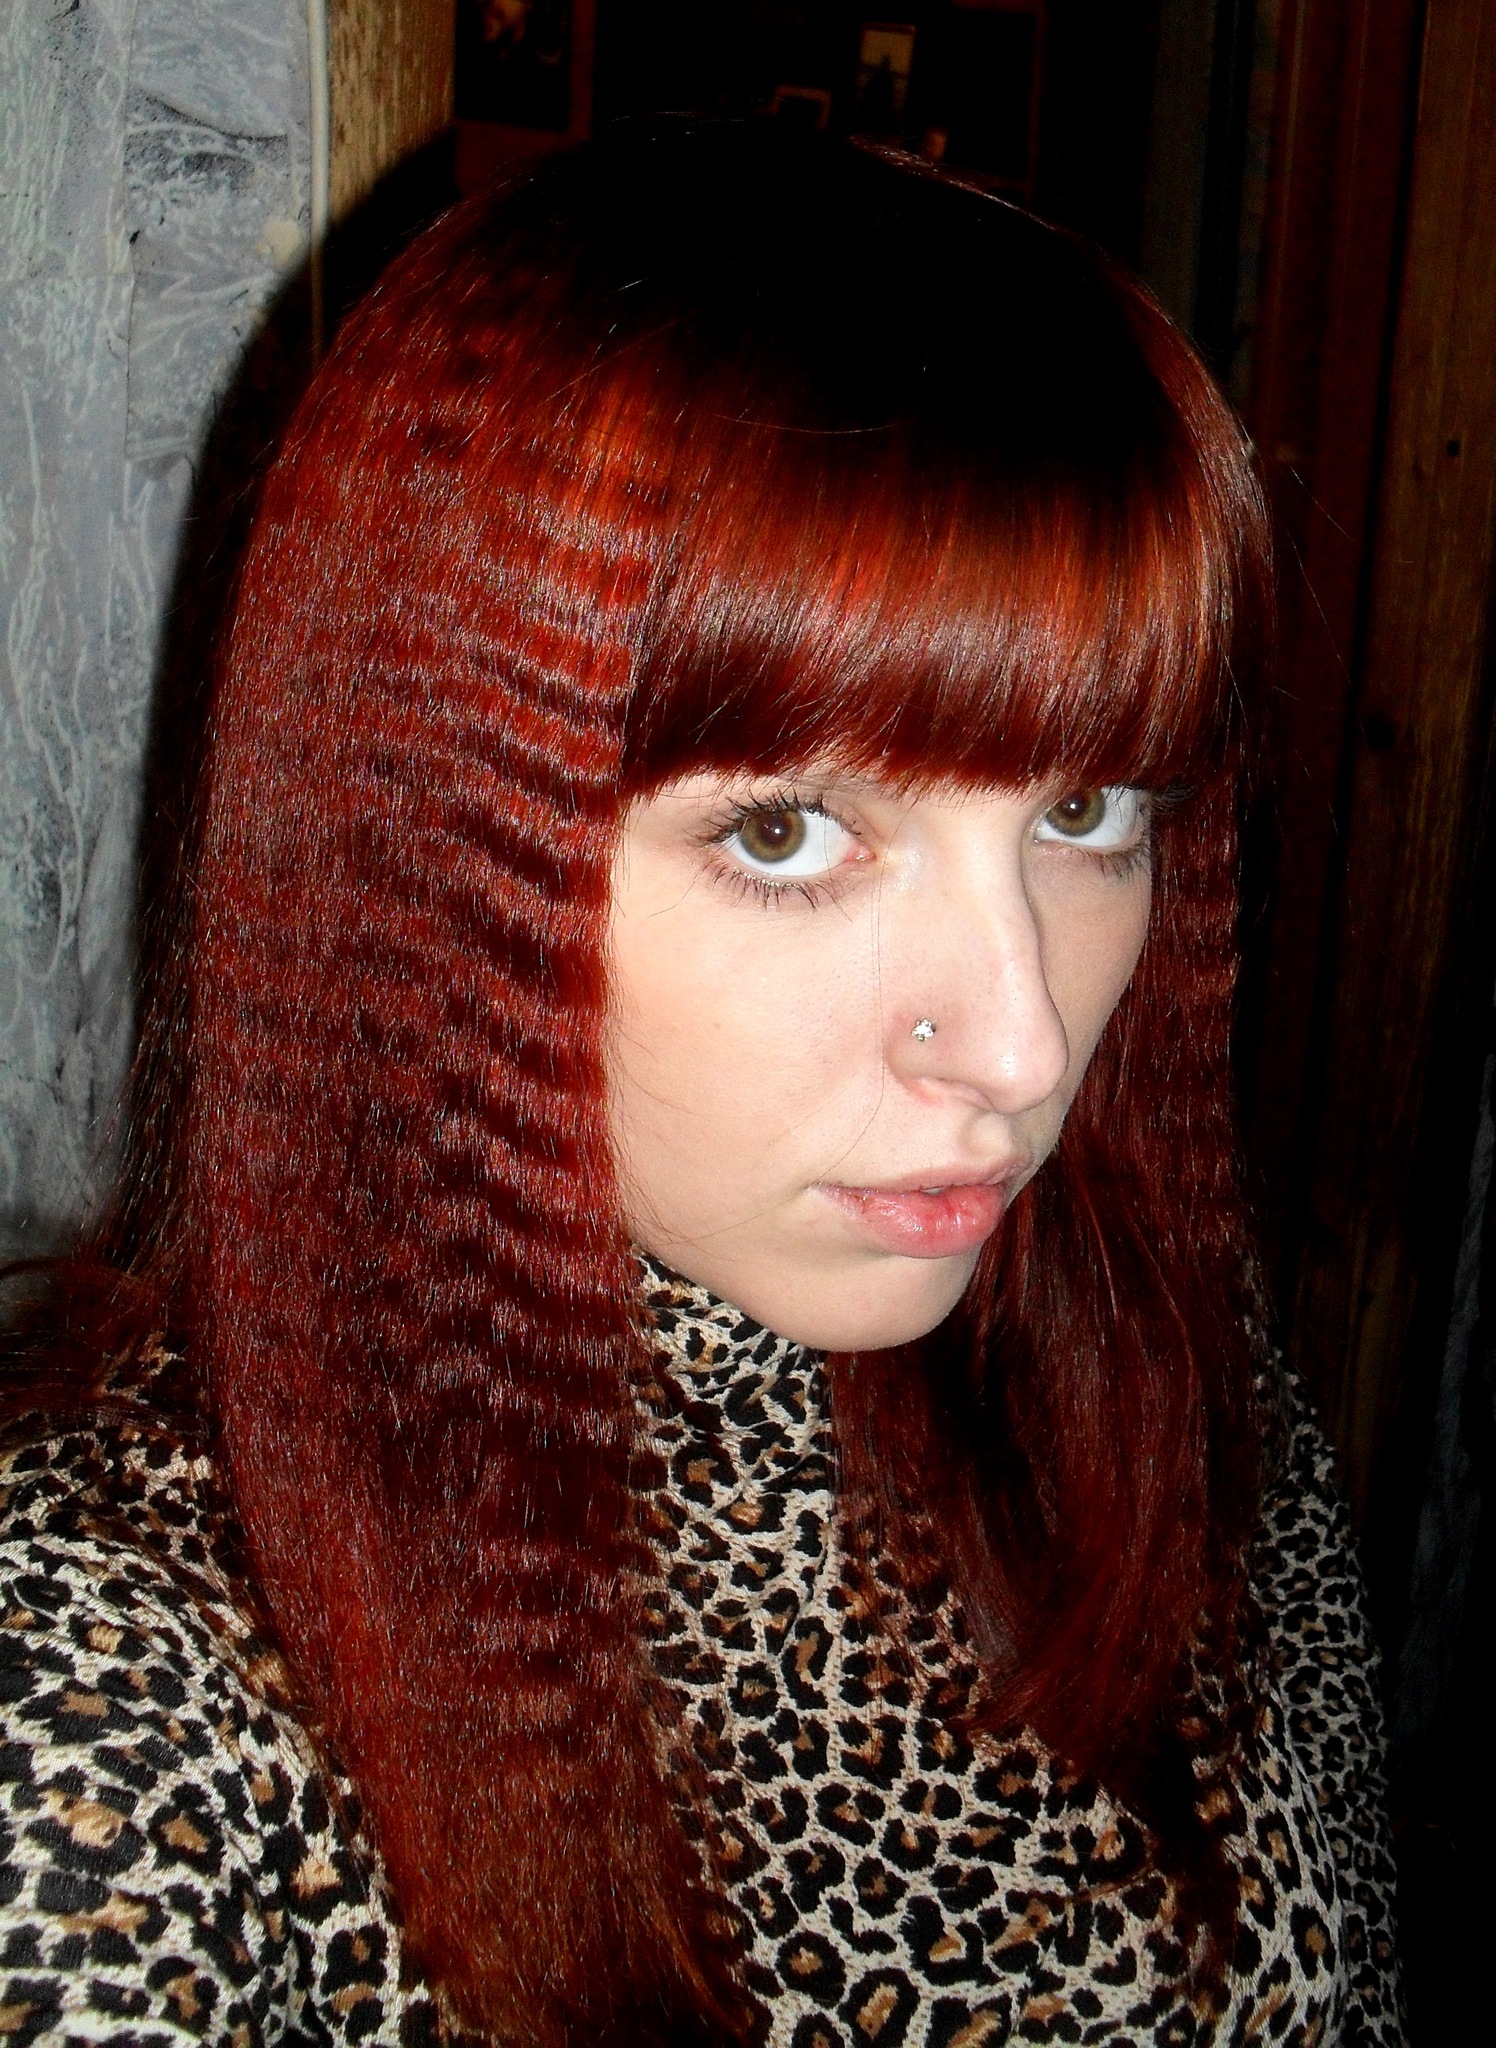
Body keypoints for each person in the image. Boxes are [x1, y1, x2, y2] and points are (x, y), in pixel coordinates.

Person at [0, 122, 1402, 2047]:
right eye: (787, 834)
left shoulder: (1166, 1365)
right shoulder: (101, 1716)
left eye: (1086, 811)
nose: (1022, 1046)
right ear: (420, 845)